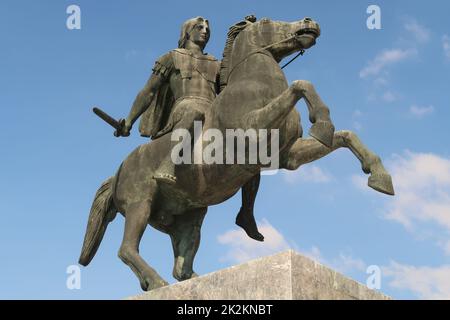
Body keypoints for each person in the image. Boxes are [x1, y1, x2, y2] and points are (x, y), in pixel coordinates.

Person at [116, 16, 264, 241]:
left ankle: (246, 212)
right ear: (187, 32)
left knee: (254, 147)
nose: (204, 31)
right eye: (199, 27)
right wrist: (129, 120)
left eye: (207, 28)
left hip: (213, 112)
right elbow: (148, 91)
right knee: (196, 112)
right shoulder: (171, 58)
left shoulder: (214, 63)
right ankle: (168, 164)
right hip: (185, 108)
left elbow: (225, 88)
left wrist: (235, 37)